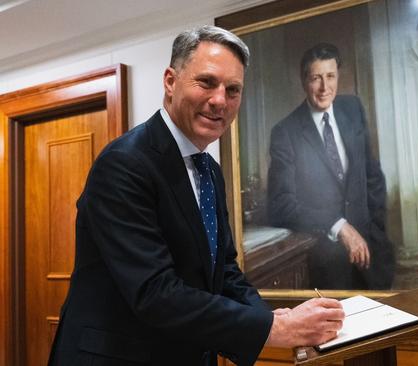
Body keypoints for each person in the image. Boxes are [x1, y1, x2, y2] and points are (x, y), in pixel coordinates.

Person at [48, 26, 344, 366]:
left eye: (233, 90)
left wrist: (270, 319)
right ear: (171, 81)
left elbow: (224, 270)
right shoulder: (124, 163)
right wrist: (271, 330)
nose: (220, 100)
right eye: (206, 82)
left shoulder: (208, 170)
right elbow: (154, 292)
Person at [267, 43, 395, 290]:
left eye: (330, 76)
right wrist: (339, 227)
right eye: (316, 78)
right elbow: (280, 205)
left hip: (373, 255)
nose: (325, 88)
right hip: (326, 266)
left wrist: (376, 231)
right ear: (304, 81)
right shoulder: (285, 132)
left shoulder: (353, 108)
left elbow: (372, 176)